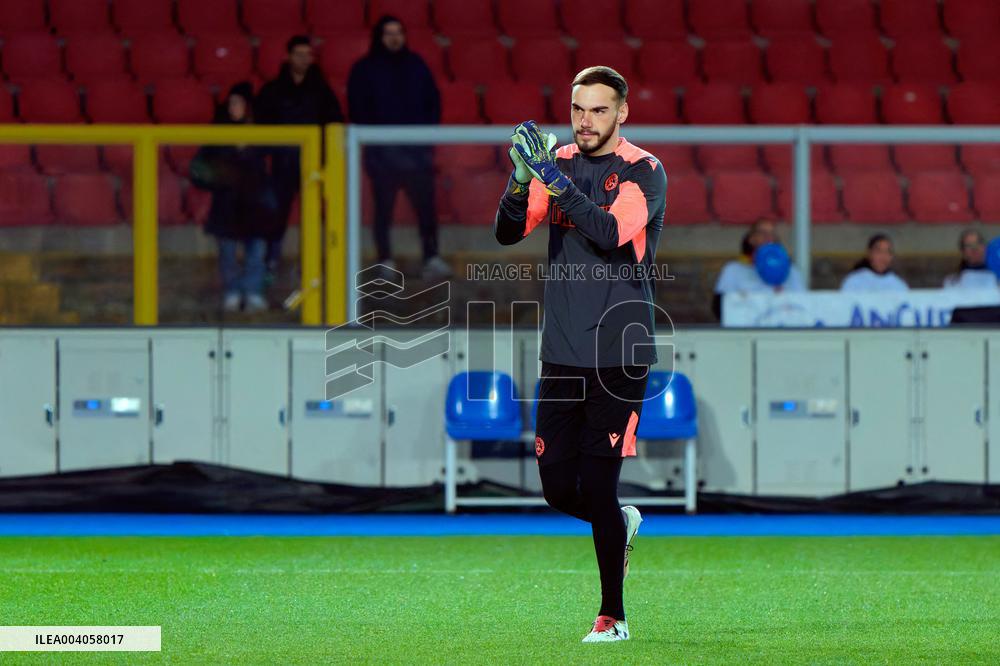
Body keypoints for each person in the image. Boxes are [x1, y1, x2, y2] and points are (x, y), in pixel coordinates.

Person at [494, 66, 667, 643]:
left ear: (622, 113)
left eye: (597, 110)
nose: (585, 120)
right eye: (577, 109)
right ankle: (620, 525)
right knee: (553, 486)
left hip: (620, 350)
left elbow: (609, 231)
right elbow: (509, 233)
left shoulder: (644, 171)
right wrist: (521, 181)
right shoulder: (559, 162)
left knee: (597, 483)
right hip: (562, 351)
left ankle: (613, 617)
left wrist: (552, 179)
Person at [347, 15, 451, 281]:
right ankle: (385, 261)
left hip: (416, 156)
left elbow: (433, 103)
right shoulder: (364, 69)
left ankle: (431, 257)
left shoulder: (416, 65)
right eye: (388, 33)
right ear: (379, 37)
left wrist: (423, 142)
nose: (394, 37)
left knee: (426, 209)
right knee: (383, 211)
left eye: (398, 32)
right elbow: (358, 109)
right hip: (382, 157)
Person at [255, 35, 344, 280]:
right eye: (299, 54)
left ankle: (311, 264)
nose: (304, 59)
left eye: (308, 54)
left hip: (313, 166)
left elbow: (334, 124)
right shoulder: (272, 90)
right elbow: (260, 128)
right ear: (288, 56)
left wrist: (326, 159)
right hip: (281, 165)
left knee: (313, 217)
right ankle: (270, 261)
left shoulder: (321, 92)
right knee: (276, 216)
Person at [190, 82, 284, 313]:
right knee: (228, 254)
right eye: (231, 102)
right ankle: (232, 292)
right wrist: (220, 177)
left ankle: (252, 292)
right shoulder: (217, 133)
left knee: (256, 252)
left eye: (239, 103)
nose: (234, 107)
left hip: (256, 204)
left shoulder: (261, 133)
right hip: (227, 204)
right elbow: (200, 168)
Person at [712, 219, 805, 319]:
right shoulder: (733, 270)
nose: (768, 237)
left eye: (772, 233)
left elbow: (803, 306)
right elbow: (720, 309)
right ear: (751, 239)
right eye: (762, 232)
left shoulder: (791, 272)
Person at [840, 233, 909, 292]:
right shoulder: (854, 281)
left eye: (888, 252)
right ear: (869, 253)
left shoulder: (898, 284)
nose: (883, 257)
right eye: (879, 251)